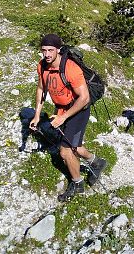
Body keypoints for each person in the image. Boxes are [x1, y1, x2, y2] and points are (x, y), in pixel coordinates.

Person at [29, 33, 106, 202]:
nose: (47, 54)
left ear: (58, 50)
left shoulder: (70, 68)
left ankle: (77, 183)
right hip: (62, 109)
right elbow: (41, 89)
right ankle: (96, 162)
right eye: (44, 50)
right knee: (74, 146)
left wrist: (63, 118)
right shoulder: (42, 66)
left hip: (78, 109)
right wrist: (36, 115)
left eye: (50, 50)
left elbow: (84, 97)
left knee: (65, 152)